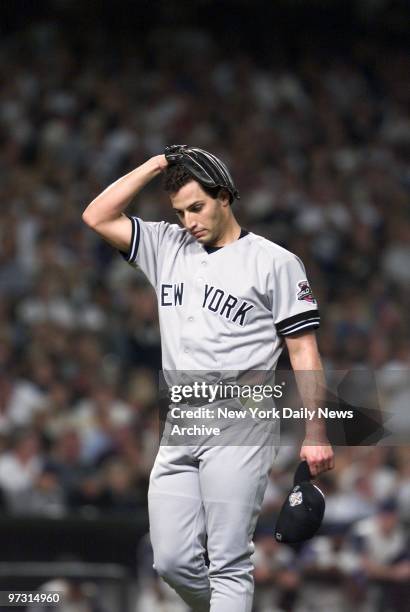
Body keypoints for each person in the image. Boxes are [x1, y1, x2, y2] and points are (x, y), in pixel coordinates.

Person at [82, 145, 334, 612]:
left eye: (196, 207)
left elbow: (303, 350)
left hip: (242, 421)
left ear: (225, 196)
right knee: (171, 561)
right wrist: (160, 162)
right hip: (180, 420)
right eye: (179, 212)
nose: (187, 221)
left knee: (228, 563)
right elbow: (96, 215)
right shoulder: (166, 245)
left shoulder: (275, 262)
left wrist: (316, 433)